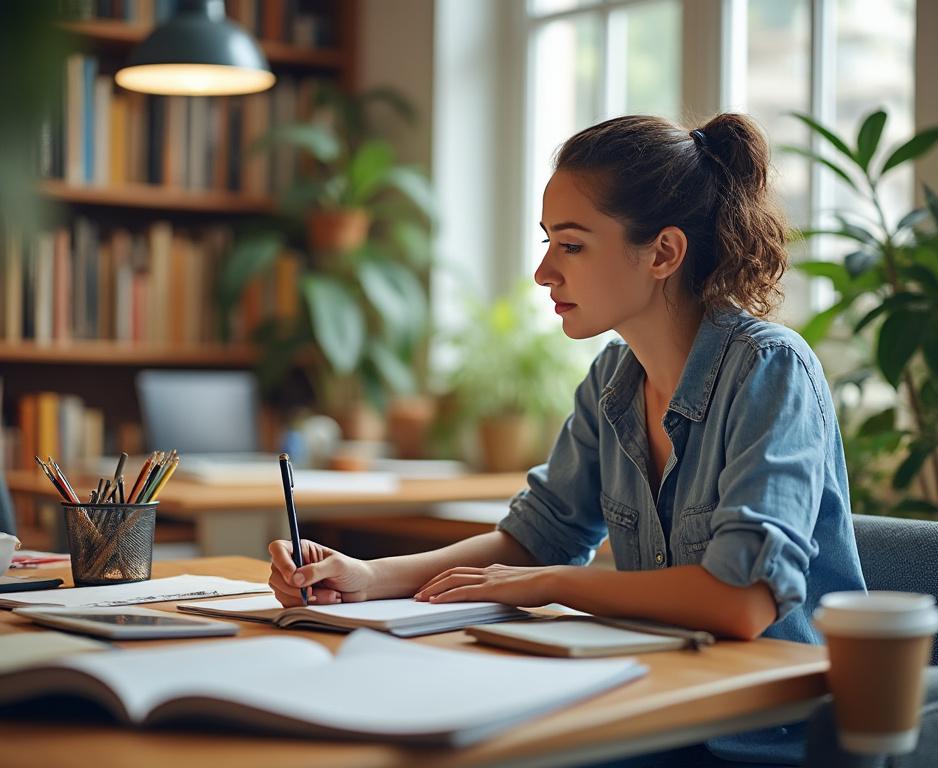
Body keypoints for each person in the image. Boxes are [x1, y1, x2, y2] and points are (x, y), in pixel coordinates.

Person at [268, 113, 866, 766]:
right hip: (655, 710)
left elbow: (741, 601)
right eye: (547, 240)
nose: (543, 272)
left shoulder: (770, 370)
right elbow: (536, 538)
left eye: (571, 245)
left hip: (769, 737)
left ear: (663, 253)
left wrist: (551, 584)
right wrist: (367, 576)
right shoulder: (613, 380)